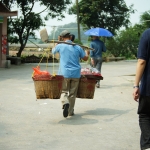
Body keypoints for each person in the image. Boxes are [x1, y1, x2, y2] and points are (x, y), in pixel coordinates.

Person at [52, 30, 89, 118]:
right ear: (70, 37)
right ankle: (70, 112)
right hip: (76, 74)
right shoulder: (78, 47)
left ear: (61, 37)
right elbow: (85, 58)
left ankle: (65, 102)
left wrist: (57, 42)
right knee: (73, 94)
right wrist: (87, 52)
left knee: (63, 91)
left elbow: (53, 51)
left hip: (64, 73)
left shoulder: (60, 45)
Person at [133, 28, 150, 150]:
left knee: (145, 115)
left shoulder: (148, 33)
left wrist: (136, 85)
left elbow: (141, 61)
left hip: (149, 88)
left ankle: (147, 146)